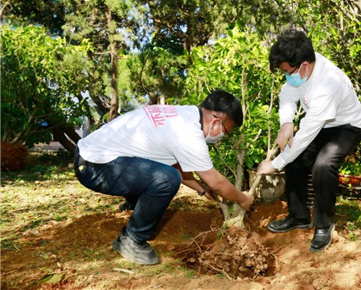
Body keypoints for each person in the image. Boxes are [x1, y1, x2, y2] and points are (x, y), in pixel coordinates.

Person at [74, 89, 254, 265]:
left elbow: (175, 162)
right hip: (96, 167)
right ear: (216, 122)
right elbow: (216, 182)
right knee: (166, 179)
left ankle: (136, 205)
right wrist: (242, 198)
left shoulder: (184, 115)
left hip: (91, 156)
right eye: (226, 132)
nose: (221, 138)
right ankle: (132, 239)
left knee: (165, 173)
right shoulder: (189, 134)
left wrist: (201, 189)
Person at [257, 29, 361, 252]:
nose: (287, 75)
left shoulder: (328, 84)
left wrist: (275, 165)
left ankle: (324, 225)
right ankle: (299, 216)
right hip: (322, 122)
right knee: (296, 161)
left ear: (304, 65)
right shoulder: (303, 70)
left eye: (288, 71)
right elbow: (288, 93)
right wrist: (286, 122)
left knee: (323, 166)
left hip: (347, 126)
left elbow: (306, 134)